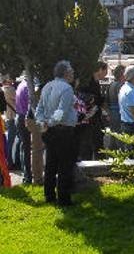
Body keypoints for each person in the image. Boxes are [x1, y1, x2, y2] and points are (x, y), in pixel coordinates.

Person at [34, 61, 78, 206]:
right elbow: (62, 111)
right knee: (65, 165)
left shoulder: (47, 86)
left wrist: (42, 123)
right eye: (71, 71)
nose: (73, 74)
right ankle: (64, 199)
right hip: (63, 130)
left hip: (49, 131)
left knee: (51, 164)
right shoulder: (67, 88)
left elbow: (39, 109)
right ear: (65, 73)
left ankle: (49, 195)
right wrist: (49, 122)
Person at [74, 61, 107, 161]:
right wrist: (97, 100)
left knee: (98, 144)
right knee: (86, 145)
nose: (106, 74)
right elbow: (85, 99)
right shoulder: (87, 82)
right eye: (106, 71)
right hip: (86, 119)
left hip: (95, 118)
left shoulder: (96, 82)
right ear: (100, 69)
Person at [119, 66, 134, 140]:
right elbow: (133, 111)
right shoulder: (130, 91)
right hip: (131, 126)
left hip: (129, 124)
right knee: (132, 150)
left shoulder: (129, 88)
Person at [14, 78, 32, 184]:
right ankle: (28, 176)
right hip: (25, 118)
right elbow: (30, 104)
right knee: (27, 148)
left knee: (24, 147)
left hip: (19, 116)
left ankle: (26, 174)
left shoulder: (21, 85)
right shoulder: (28, 87)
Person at [106, 65, 126, 142]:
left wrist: (108, 113)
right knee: (120, 137)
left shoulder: (111, 85)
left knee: (113, 135)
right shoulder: (121, 86)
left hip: (112, 112)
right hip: (119, 113)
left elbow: (106, 101)